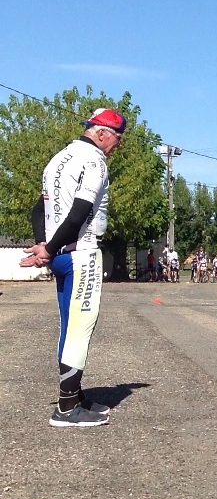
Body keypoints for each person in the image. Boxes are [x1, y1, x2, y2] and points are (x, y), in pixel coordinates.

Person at [21, 107, 126, 427]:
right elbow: (80, 212)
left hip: (62, 256)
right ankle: (67, 408)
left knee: (69, 326)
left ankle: (74, 394)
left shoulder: (59, 158)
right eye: (117, 139)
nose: (117, 146)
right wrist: (50, 249)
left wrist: (46, 248)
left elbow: (38, 211)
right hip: (81, 254)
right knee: (80, 329)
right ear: (102, 134)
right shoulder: (94, 161)